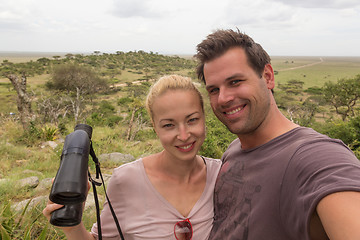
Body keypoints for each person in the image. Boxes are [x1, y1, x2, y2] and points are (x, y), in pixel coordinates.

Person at [194, 28, 360, 240]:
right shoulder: (234, 150)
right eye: (214, 90)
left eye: (235, 82)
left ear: (268, 76)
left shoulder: (315, 157)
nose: (223, 98)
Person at [43, 74, 221, 240]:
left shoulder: (222, 174)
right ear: (154, 127)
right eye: (168, 125)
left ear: (204, 117)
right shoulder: (126, 180)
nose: (183, 135)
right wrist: (72, 226)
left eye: (192, 120)